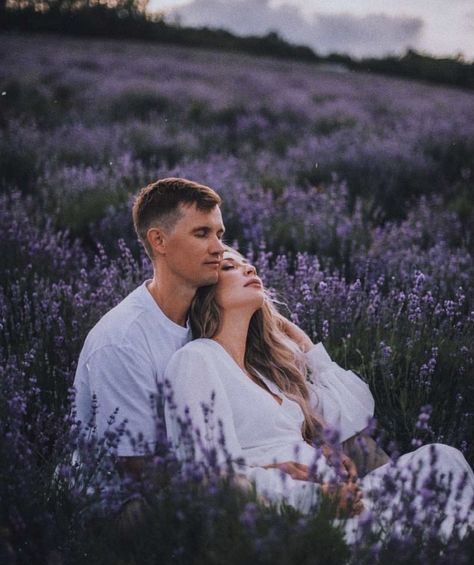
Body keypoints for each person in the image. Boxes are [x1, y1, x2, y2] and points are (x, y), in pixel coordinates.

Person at [164, 248, 474, 542]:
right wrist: (316, 498)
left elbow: (355, 412)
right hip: (298, 515)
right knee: (441, 530)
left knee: (443, 458)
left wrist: (306, 345)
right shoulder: (197, 359)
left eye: (246, 263)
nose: (249, 267)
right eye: (230, 267)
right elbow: (211, 477)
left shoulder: (266, 375)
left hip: (338, 494)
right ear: (205, 294)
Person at [73, 177, 226, 477]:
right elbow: (136, 468)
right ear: (159, 241)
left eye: (220, 234)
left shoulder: (207, 315)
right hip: (120, 507)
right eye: (202, 233)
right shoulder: (123, 340)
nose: (219, 248)